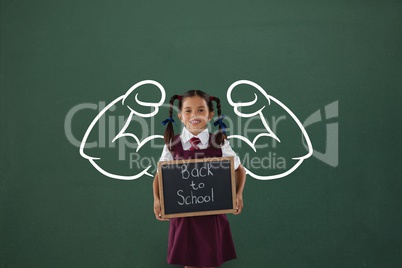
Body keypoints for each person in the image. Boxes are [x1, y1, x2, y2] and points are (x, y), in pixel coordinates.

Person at [153, 90, 246, 268]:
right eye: (188, 111)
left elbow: (240, 170)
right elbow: (160, 174)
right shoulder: (172, 144)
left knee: (211, 259)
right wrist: (157, 199)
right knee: (190, 261)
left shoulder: (220, 143)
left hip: (212, 216)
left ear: (210, 115)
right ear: (180, 116)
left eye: (201, 110)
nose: (194, 115)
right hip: (183, 216)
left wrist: (238, 194)